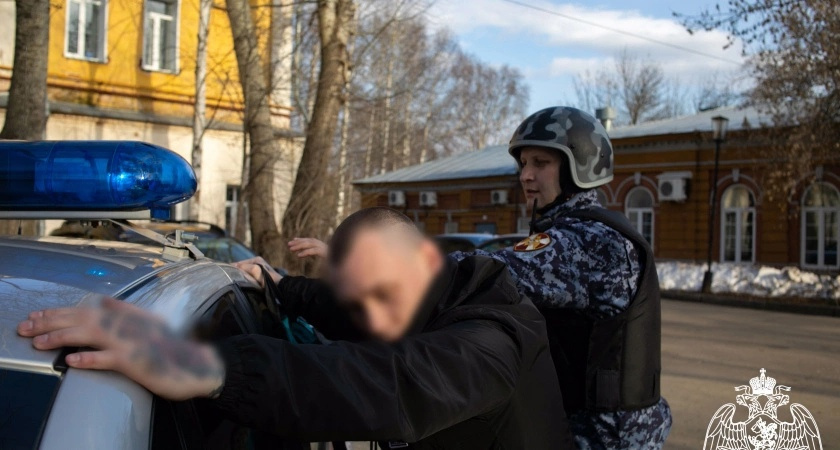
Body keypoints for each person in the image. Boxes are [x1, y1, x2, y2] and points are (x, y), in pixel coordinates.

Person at [18, 207, 574, 449]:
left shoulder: (494, 337)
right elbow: (348, 306)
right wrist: (280, 286)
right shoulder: (420, 297)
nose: (372, 323)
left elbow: (393, 382)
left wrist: (209, 367)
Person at [290, 107, 672, 449]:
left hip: (602, 437)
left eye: (541, 163)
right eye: (523, 164)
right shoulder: (576, 232)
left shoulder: (592, 242)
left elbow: (474, 274)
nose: (526, 175)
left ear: (580, 168)